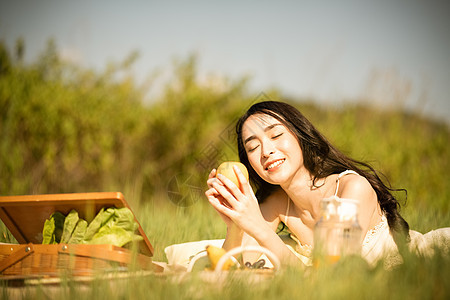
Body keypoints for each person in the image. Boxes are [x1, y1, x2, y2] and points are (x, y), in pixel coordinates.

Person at [205, 100, 449, 268]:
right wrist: (235, 222)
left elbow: (330, 276)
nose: (266, 151)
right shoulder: (278, 203)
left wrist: (257, 227)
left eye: (276, 135)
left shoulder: (348, 189)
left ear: (300, 135)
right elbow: (237, 266)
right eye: (253, 146)